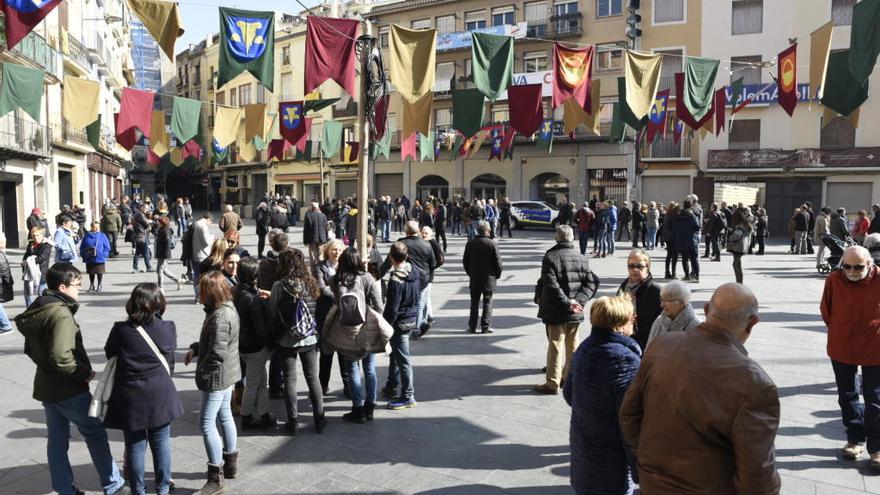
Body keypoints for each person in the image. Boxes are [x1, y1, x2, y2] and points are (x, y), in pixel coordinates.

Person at [620, 283, 780, 494]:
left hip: (653, 483)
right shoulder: (755, 384)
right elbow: (757, 475)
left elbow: (629, 414)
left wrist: (648, 459)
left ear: (706, 310)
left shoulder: (662, 345)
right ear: (752, 323)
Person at [14, 263, 129, 495]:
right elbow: (61, 357)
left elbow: (30, 349)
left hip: (47, 387)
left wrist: (47, 366)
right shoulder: (60, 314)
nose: (80, 289)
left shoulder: (38, 308)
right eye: (77, 285)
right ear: (63, 286)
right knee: (95, 434)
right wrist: (83, 373)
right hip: (69, 389)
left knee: (56, 440)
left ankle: (64, 488)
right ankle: (113, 485)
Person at [103, 284, 183, 495]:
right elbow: (170, 358)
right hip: (159, 392)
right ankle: (163, 488)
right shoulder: (168, 328)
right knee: (161, 443)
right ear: (158, 304)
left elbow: (109, 352)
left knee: (135, 445)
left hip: (130, 395)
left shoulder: (120, 330)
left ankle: (138, 489)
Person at [563, 295, 641, 495]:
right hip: (611, 458)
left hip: (584, 446)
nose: (634, 319)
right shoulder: (623, 359)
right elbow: (630, 420)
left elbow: (568, 392)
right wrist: (640, 470)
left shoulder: (585, 346)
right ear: (620, 323)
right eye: (632, 316)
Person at [821, 245, 880, 467]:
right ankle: (855, 439)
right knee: (847, 395)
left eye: (858, 267)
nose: (852, 271)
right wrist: (839, 329)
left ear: (869, 264)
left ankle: (877, 447)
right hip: (842, 346)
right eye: (847, 266)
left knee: (875, 398)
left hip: (875, 348)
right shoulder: (834, 280)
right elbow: (826, 310)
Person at [184, 271, 241, 494]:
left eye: (202, 289)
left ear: (211, 292)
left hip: (218, 377)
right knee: (225, 414)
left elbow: (217, 352)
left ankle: (215, 477)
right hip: (227, 373)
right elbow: (214, 343)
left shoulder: (220, 316)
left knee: (206, 424)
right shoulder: (223, 309)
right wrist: (197, 348)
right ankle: (231, 463)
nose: (199, 292)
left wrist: (203, 374)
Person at [533, 225, 600, 394]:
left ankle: (552, 383)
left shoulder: (550, 257)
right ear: (573, 238)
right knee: (573, 346)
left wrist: (568, 301)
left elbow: (551, 285)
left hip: (557, 309)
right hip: (575, 310)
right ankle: (568, 378)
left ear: (557, 238)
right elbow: (591, 283)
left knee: (556, 345)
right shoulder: (581, 258)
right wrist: (578, 301)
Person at [270, 249, 326, 435]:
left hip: (287, 339)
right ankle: (319, 419)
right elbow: (316, 308)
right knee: (313, 378)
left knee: (289, 379)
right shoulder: (310, 282)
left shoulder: (280, 285)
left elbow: (272, 312)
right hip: (309, 336)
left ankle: (292, 422)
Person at [329, 249, 384, 423]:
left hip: (346, 328)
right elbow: (379, 305)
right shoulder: (367, 278)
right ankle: (370, 406)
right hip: (366, 327)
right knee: (369, 368)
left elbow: (337, 302)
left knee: (352, 369)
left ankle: (357, 408)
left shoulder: (335, 279)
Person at [234, 257, 276, 430]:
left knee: (260, 382)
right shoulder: (252, 299)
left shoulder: (237, 293)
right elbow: (260, 327)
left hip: (242, 344)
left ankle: (264, 414)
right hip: (254, 347)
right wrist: (270, 344)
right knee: (253, 384)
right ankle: (247, 416)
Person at [378, 220, 437, 337]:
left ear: (406, 231)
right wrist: (428, 276)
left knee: (403, 303)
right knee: (419, 303)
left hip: (406, 276)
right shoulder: (426, 244)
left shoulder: (401, 243)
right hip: (422, 278)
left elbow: (389, 261)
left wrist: (378, 274)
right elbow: (433, 263)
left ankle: (412, 327)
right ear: (418, 230)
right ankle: (416, 326)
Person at [381, 242, 422, 410]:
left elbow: (392, 308)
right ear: (407, 256)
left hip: (400, 322)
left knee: (403, 359)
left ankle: (408, 395)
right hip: (411, 317)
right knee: (396, 355)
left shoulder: (396, 279)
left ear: (391, 257)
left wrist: (385, 325)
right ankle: (392, 385)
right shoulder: (414, 271)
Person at [313, 239, 349, 396]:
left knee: (344, 354)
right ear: (328, 250)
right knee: (326, 353)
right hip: (325, 315)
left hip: (342, 317)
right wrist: (342, 295)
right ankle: (323, 385)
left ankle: (347, 385)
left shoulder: (346, 267)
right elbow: (321, 289)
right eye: (334, 250)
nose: (337, 253)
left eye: (340, 250)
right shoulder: (319, 268)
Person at [617, 249, 662, 351]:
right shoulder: (623, 288)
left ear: (647, 267)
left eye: (640, 266)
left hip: (648, 344)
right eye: (631, 266)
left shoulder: (656, 291)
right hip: (625, 341)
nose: (635, 269)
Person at [462, 221, 502, 334]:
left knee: (474, 302)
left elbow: (465, 262)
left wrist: (470, 273)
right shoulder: (492, 243)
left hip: (475, 278)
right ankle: (485, 326)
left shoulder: (470, 243)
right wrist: (497, 275)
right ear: (487, 230)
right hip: (489, 278)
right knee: (487, 302)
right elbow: (498, 262)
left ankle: (472, 326)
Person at [646, 280, 701, 348]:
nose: (662, 305)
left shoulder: (695, 326)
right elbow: (648, 350)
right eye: (662, 300)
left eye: (667, 300)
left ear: (681, 303)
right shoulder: (659, 321)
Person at [418, 225, 444, 337]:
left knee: (424, 298)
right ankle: (429, 316)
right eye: (422, 232)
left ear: (431, 234)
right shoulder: (422, 242)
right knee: (425, 297)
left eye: (426, 233)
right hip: (424, 274)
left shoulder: (433, 243)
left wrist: (431, 267)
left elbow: (441, 259)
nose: (424, 235)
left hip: (428, 275)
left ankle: (424, 320)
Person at [23, 226, 52, 307]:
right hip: (29, 272)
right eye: (33, 236)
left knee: (41, 293)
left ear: (42, 235)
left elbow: (42, 257)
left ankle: (43, 310)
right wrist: (24, 262)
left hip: (41, 273)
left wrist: (29, 261)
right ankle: (29, 309)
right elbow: (26, 256)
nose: (36, 237)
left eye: (37, 235)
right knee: (27, 292)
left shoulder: (47, 245)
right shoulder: (31, 244)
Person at [674, 199, 701, 283]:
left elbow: (675, 227)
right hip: (692, 239)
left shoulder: (678, 214)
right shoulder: (692, 215)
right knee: (694, 258)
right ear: (690, 205)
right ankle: (697, 276)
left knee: (684, 259)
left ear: (683, 205)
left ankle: (686, 276)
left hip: (681, 239)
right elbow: (697, 226)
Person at [80, 222, 111, 292]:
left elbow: (107, 247)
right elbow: (82, 246)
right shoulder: (86, 236)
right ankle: (92, 285)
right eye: (95, 227)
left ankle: (99, 284)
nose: (97, 228)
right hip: (89, 257)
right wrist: (83, 254)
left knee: (99, 271)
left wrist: (104, 254)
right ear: (91, 227)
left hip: (100, 257)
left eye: (98, 227)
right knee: (91, 272)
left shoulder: (102, 235)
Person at [154, 216, 182, 291]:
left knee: (159, 270)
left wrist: (163, 255)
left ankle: (161, 287)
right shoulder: (161, 229)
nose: (157, 223)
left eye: (159, 222)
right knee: (164, 270)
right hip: (161, 253)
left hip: (163, 254)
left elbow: (167, 244)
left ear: (162, 223)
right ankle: (178, 280)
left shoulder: (165, 231)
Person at [191, 215, 215, 298]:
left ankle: (197, 296)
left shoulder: (194, 224)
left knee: (196, 276)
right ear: (208, 220)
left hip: (194, 254)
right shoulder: (203, 226)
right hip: (203, 255)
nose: (209, 225)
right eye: (210, 223)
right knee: (204, 276)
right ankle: (202, 295)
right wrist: (212, 237)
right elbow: (206, 242)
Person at [727, 208, 753, 284]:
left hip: (738, 247)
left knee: (736, 265)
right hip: (742, 246)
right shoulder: (745, 223)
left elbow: (737, 235)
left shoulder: (740, 225)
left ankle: (739, 282)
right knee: (736, 264)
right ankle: (739, 282)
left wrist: (731, 235)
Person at [131, 205, 153, 273]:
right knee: (146, 252)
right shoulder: (140, 214)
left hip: (138, 235)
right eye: (146, 208)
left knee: (137, 252)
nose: (147, 210)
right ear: (142, 208)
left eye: (148, 209)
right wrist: (149, 222)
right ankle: (148, 267)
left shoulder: (137, 214)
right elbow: (146, 224)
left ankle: (135, 267)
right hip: (142, 235)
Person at [662, 201, 679, 279]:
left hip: (668, 238)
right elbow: (675, 228)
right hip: (674, 238)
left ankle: (667, 272)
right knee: (674, 256)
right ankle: (673, 273)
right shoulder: (674, 216)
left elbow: (665, 227)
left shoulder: (667, 215)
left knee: (669, 255)